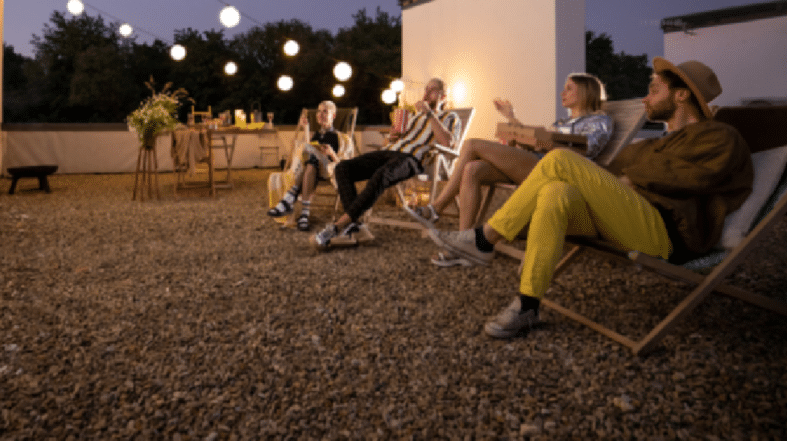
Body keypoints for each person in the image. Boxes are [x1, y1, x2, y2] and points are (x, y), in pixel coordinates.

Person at [434, 59, 753, 338]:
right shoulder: (648, 146)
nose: (645, 97)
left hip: (664, 232)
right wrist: (613, 180)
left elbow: (691, 176)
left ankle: (485, 239)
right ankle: (528, 305)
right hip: (622, 220)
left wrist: (627, 178)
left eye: (654, 90)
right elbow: (611, 174)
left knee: (560, 159)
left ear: (681, 94)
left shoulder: (720, 136)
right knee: (555, 191)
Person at [426, 74, 612, 255]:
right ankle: (464, 241)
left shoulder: (600, 121)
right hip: (536, 161)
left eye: (569, 89)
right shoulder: (562, 123)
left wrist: (546, 143)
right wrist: (512, 119)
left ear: (586, 93)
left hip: (556, 170)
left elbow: (585, 151)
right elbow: (537, 141)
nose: (563, 93)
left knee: (472, 144)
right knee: (472, 169)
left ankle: (437, 207)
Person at [312, 78, 455, 250]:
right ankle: (355, 226)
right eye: (426, 89)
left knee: (381, 175)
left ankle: (338, 226)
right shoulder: (414, 117)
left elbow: (448, 143)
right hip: (389, 151)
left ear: (443, 96)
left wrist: (430, 114)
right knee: (343, 167)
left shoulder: (449, 116)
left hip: (411, 158)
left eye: (431, 90)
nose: (425, 93)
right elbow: (392, 139)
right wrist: (392, 136)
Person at [268, 101, 342, 231]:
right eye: (319, 111)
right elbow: (306, 152)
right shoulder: (317, 134)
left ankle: (288, 199)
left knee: (306, 151)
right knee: (309, 164)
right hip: (312, 169)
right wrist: (306, 129)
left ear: (334, 115)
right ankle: (304, 215)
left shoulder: (339, 137)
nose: (320, 114)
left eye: (325, 111)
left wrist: (331, 153)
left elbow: (343, 163)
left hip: (327, 169)